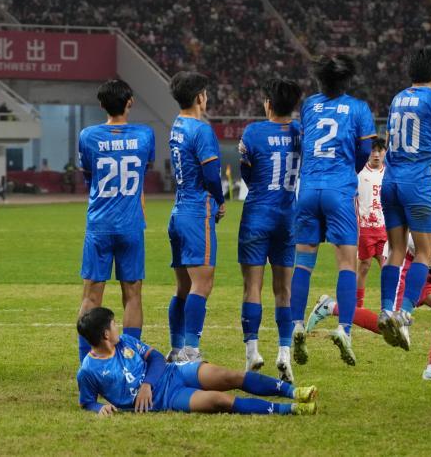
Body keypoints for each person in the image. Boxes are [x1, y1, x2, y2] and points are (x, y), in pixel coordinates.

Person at [307, 169, 431, 381]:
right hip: (404, 263)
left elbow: (428, 248)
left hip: (420, 266)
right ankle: (331, 307)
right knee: (389, 326)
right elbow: (414, 242)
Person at [290, 55, 377, 366]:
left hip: (308, 189)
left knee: (303, 263)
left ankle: (296, 324)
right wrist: (349, 170)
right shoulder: (358, 108)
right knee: (346, 265)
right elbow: (365, 150)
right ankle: (343, 329)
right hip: (339, 190)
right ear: (348, 81)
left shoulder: (309, 106)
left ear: (320, 81)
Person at [76, 307, 317, 417]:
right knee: (220, 401)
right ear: (105, 334)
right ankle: (291, 410)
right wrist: (99, 408)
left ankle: (294, 392)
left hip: (173, 373)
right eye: (113, 324)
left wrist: (147, 384)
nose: (117, 327)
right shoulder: (88, 370)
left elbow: (157, 358)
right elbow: (87, 402)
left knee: (229, 376)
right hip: (167, 398)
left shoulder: (125, 341)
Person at [379, 45, 431, 351]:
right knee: (425, 251)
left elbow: (390, 138)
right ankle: (405, 312)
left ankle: (386, 309)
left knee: (396, 250)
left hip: (390, 180)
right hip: (417, 181)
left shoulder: (397, 98)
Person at [77, 79, 155, 363]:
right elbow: (143, 172)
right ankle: (131, 361)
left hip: (99, 224)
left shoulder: (88, 136)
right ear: (130, 102)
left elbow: (89, 176)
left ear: (101, 105)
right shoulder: (145, 135)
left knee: (91, 297)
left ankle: (86, 362)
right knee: (132, 296)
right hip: (131, 225)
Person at [237, 78, 302, 381]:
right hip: (287, 216)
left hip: (257, 214)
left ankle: (252, 352)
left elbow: (246, 172)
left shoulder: (253, 132)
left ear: (268, 104)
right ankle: (284, 354)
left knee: (252, 287)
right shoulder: (300, 132)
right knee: (284, 290)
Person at [166, 72, 226, 363]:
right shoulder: (201, 130)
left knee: (183, 287)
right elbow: (211, 175)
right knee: (202, 284)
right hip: (196, 212)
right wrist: (221, 200)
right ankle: (190, 351)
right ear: (200, 96)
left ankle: (176, 348)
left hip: (178, 212)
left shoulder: (177, 126)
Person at [356, 138, 388, 308]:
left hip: (385, 229)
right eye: (373, 151)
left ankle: (388, 306)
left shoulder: (389, 174)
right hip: (365, 229)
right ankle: (358, 305)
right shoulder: (360, 174)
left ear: (385, 152)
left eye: (379, 151)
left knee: (388, 267)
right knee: (364, 266)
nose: (376, 154)